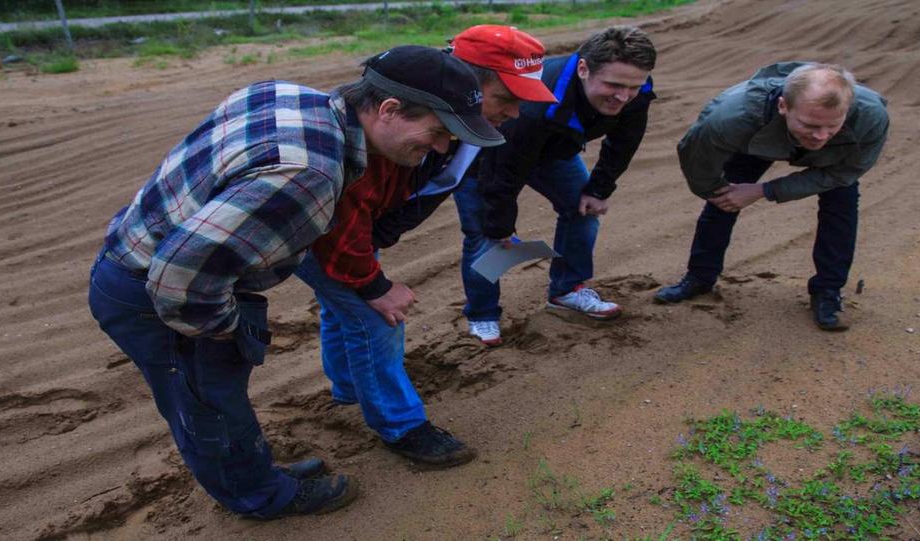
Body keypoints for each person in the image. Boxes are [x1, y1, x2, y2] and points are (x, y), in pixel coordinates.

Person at [87, 45, 501, 520]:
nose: (443, 148)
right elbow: (180, 278)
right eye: (437, 131)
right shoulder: (309, 174)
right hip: (155, 292)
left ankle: (255, 474)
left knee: (218, 394)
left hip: (139, 248)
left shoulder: (293, 97)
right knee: (212, 402)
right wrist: (225, 329)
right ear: (388, 109)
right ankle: (262, 497)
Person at [295, 25, 556, 468]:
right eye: (505, 97)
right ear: (468, 84)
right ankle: (402, 426)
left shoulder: (455, 126)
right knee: (378, 319)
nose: (515, 112)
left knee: (343, 306)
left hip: (351, 227)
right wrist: (373, 283)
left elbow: (452, 184)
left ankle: (350, 389)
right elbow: (342, 222)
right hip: (309, 228)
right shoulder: (388, 133)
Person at [455, 25, 657, 345]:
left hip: (553, 151)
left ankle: (566, 290)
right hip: (489, 155)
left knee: (583, 210)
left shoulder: (636, 89)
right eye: (614, 85)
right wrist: (501, 224)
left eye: (633, 86)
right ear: (583, 68)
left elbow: (625, 139)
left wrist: (599, 188)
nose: (624, 96)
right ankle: (483, 314)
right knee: (486, 236)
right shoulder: (535, 105)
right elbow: (502, 174)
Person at [654, 62, 889, 331]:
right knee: (723, 198)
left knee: (841, 205)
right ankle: (699, 277)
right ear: (783, 106)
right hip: (761, 138)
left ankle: (827, 291)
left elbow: (842, 174)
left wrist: (763, 191)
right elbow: (697, 160)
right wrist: (718, 193)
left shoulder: (870, 116)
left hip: (835, 157)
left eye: (831, 125)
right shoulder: (733, 115)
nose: (820, 136)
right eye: (810, 125)